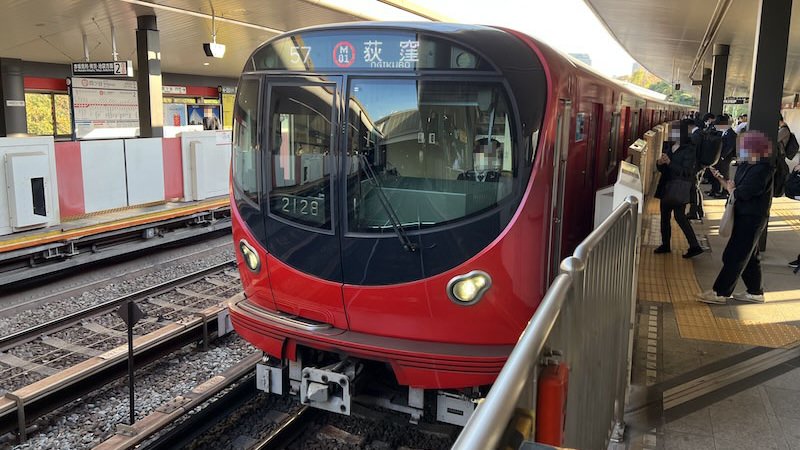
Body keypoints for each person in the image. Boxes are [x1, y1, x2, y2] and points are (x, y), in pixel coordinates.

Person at [697, 131, 775, 304]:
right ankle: (755, 292)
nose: (741, 149)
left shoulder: (763, 168)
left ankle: (720, 293)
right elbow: (736, 188)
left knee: (735, 255)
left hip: (752, 217)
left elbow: (748, 191)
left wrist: (733, 190)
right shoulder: (746, 165)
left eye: (744, 146)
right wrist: (724, 182)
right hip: (742, 213)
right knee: (750, 255)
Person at [654, 119, 704, 258]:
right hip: (667, 186)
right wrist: (660, 163)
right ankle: (666, 245)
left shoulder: (689, 149)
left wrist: (670, 163)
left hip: (679, 188)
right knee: (665, 217)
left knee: (680, 217)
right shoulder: (670, 146)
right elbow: (663, 169)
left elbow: (686, 171)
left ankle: (694, 246)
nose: (670, 133)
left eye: (673, 131)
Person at [707, 115, 736, 198]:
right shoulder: (722, 132)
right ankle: (715, 190)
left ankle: (725, 191)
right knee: (716, 173)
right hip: (718, 157)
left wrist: (722, 156)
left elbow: (730, 147)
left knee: (724, 174)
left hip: (725, 158)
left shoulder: (731, 133)